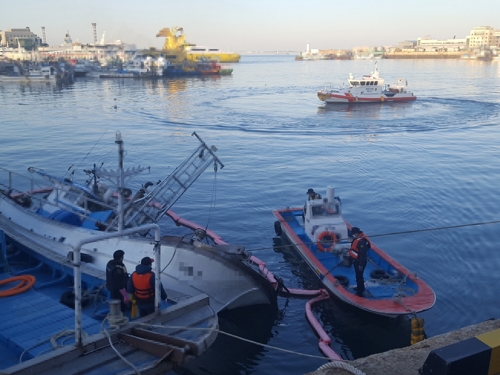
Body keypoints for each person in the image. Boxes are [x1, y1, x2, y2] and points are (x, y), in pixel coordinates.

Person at [348, 227, 371, 297]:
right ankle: (360, 287)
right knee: (358, 276)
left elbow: (362, 255)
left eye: (354, 234)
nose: (353, 235)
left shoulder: (362, 242)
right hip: (356, 261)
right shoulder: (358, 239)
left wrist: (361, 265)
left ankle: (360, 292)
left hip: (360, 262)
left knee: (359, 276)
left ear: (356, 233)